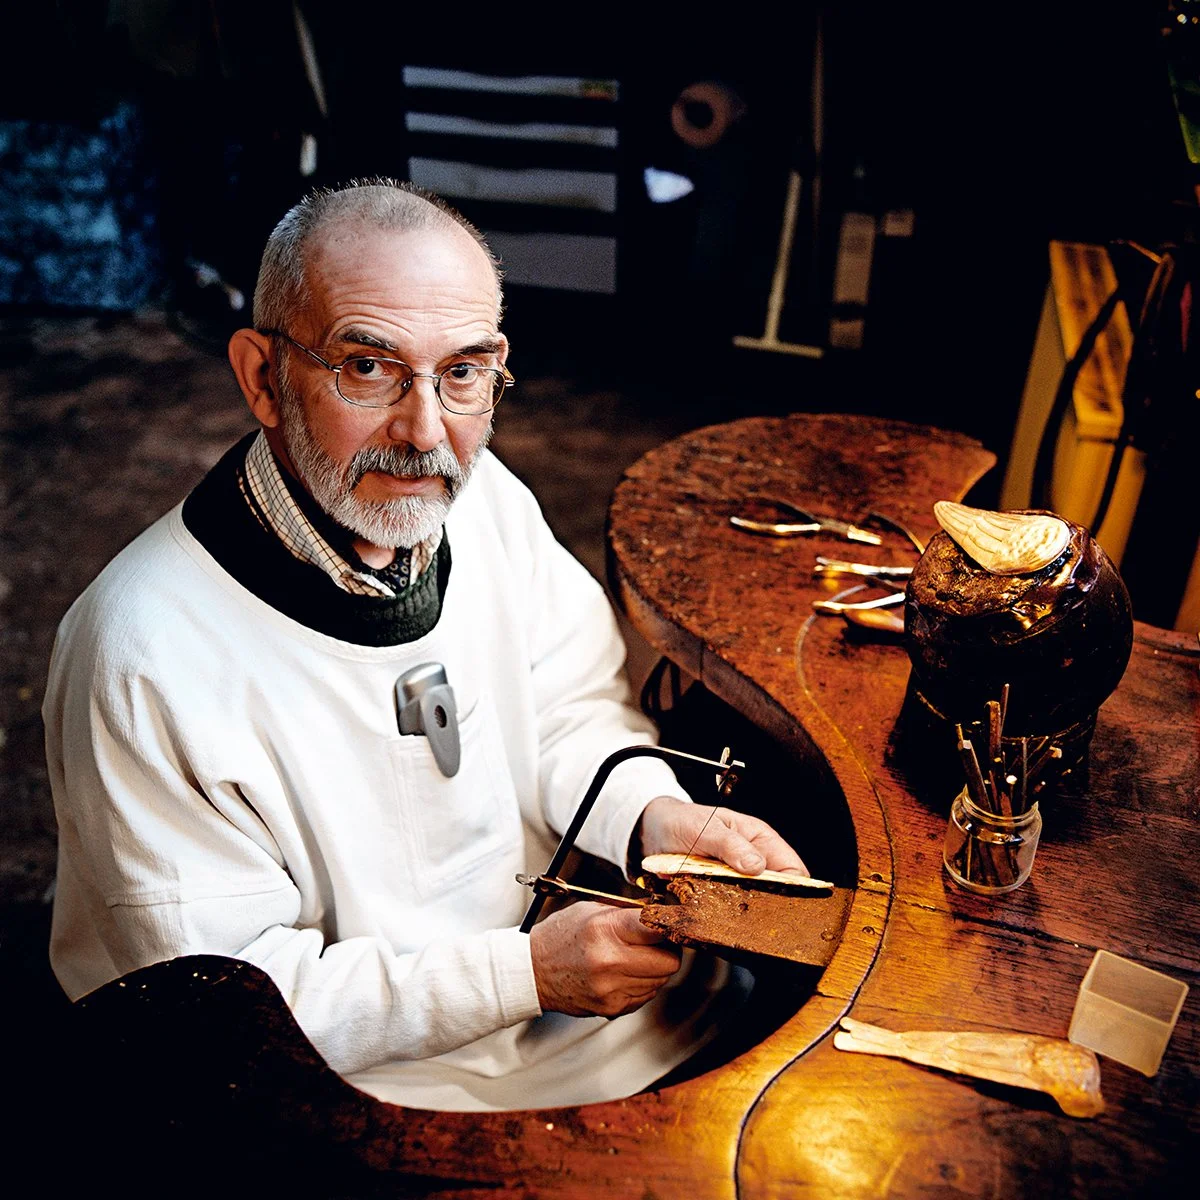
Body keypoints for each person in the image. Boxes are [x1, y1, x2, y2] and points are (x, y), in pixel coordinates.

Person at [43, 179, 809, 1112]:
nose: (425, 432)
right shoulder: (139, 656)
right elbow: (226, 1001)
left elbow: (567, 708)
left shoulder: (487, 505)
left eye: (464, 373)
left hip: (575, 1013)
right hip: (347, 1087)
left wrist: (651, 818)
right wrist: (519, 978)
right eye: (368, 368)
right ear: (261, 378)